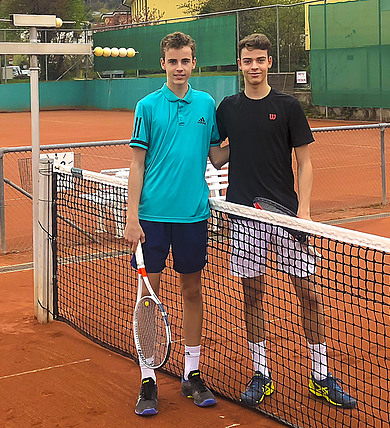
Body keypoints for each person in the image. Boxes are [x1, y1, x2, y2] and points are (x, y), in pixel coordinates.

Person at [212, 33, 357, 409]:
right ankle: (261, 372)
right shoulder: (227, 108)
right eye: (248, 61)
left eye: (260, 59)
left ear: (269, 62)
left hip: (287, 216)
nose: (254, 66)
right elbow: (216, 159)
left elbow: (305, 162)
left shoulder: (289, 106)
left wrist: (304, 212)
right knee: (253, 294)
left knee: (308, 294)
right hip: (244, 215)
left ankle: (321, 375)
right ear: (239, 64)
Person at [124, 31, 222, 416]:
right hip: (150, 220)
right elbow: (136, 164)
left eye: (185, 61)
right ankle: (148, 377)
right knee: (149, 299)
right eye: (172, 61)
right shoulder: (147, 106)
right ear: (162, 63)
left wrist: (252, 137)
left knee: (193, 291)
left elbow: (216, 155)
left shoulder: (206, 104)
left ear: (193, 63)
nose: (179, 68)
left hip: (194, 217)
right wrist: (131, 217)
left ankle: (191, 373)